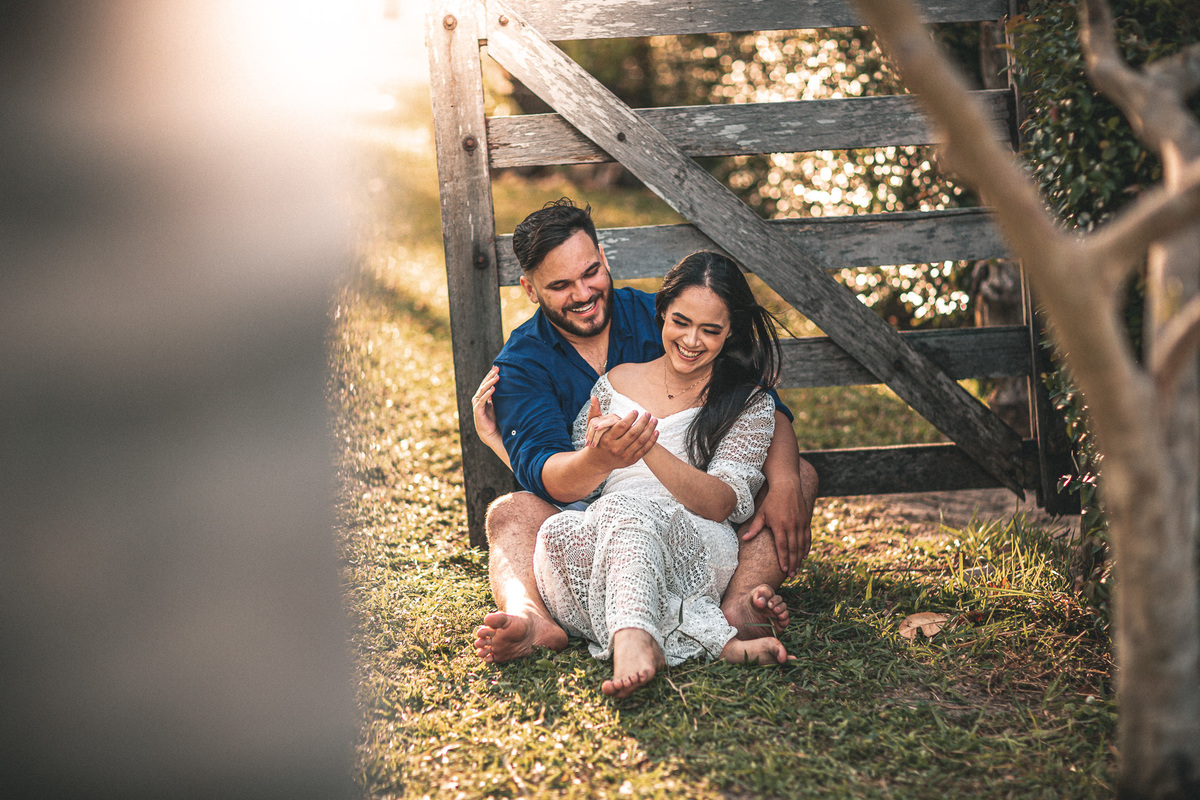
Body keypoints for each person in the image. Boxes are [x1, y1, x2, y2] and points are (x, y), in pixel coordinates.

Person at [471, 199, 818, 665]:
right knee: (508, 512)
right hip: (590, 509)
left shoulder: (660, 317)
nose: (583, 293)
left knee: (802, 473)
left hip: (699, 508)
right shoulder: (522, 363)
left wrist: (788, 481)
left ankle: (740, 600)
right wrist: (604, 458)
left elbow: (757, 403)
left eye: (590, 272)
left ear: (604, 260)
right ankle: (531, 616)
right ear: (530, 290)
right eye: (560, 285)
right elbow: (547, 474)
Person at [538, 251, 795, 696]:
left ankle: (634, 640)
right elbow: (579, 486)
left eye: (710, 330)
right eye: (681, 322)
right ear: (661, 312)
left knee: (624, 508)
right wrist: (597, 456)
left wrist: (644, 446)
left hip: (695, 539)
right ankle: (715, 640)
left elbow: (720, 503)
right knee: (557, 532)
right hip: (614, 538)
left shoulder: (748, 402)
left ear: (730, 330)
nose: (692, 340)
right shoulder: (616, 381)